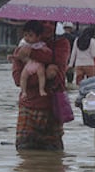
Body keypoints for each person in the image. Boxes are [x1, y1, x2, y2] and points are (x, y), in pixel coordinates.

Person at [11, 20, 71, 151]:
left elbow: (59, 76)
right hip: (28, 107)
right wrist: (45, 75)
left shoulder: (62, 44)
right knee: (25, 154)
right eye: (44, 22)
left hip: (52, 109)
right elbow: (17, 79)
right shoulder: (22, 47)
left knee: (54, 158)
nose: (48, 26)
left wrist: (31, 53)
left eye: (52, 23)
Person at [14, 21, 48, 97]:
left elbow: (45, 51)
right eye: (25, 35)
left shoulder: (40, 44)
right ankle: (23, 91)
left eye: (30, 35)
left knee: (41, 75)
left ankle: (41, 89)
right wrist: (14, 57)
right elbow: (19, 57)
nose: (27, 38)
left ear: (38, 37)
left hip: (38, 64)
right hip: (28, 65)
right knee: (23, 76)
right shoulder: (23, 45)